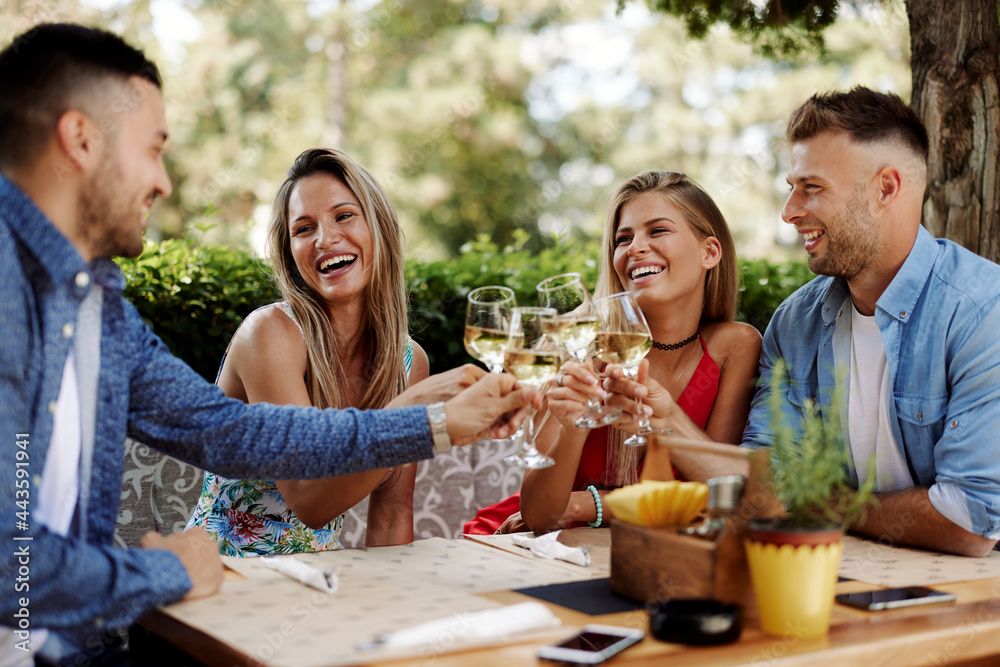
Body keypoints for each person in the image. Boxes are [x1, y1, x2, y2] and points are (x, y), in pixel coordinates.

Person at [0, 23, 534, 665]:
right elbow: (12, 565)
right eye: (154, 149)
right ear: (81, 140)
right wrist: (169, 572)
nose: (165, 182)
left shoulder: (97, 308)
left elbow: (233, 433)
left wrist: (435, 423)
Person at [609, 87, 1000, 558]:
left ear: (886, 188)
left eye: (811, 188)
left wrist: (826, 505)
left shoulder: (983, 310)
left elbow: (969, 521)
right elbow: (766, 491)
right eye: (791, 187)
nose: (790, 211)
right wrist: (666, 418)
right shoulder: (797, 322)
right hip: (835, 573)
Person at [467, 171, 762, 534]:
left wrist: (589, 503)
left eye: (657, 231)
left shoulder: (735, 346)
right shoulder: (579, 344)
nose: (636, 247)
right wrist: (573, 430)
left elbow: (722, 490)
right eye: (624, 238)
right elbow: (540, 515)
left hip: (643, 548)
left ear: (710, 252)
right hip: (534, 543)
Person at [187, 148, 428, 554]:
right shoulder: (269, 334)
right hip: (222, 585)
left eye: (344, 215)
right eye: (303, 229)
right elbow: (308, 498)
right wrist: (424, 418)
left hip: (315, 590)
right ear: (291, 253)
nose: (325, 239)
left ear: (379, 227)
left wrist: (394, 612)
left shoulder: (408, 362)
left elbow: (391, 515)